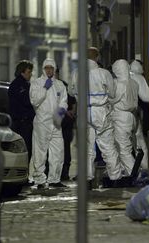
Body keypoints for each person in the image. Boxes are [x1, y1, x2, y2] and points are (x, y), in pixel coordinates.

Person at [69, 47, 122, 188]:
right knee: (107, 146)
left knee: (87, 148)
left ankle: (87, 178)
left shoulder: (76, 73)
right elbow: (112, 93)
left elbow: (71, 91)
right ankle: (115, 177)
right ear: (97, 57)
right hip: (100, 112)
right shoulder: (104, 73)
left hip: (84, 112)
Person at [30, 58, 68, 188]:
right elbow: (34, 101)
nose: (49, 70)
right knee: (40, 152)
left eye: (51, 68)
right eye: (47, 68)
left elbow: (64, 101)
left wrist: (59, 116)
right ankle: (40, 179)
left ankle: (54, 179)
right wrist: (44, 88)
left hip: (56, 123)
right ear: (43, 69)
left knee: (58, 152)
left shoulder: (60, 85)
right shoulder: (36, 83)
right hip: (42, 123)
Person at [8, 60, 35, 182]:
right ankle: (23, 176)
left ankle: (24, 175)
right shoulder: (19, 85)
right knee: (25, 150)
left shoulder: (23, 84)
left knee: (25, 150)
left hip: (23, 122)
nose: (31, 74)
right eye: (29, 72)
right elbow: (28, 101)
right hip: (22, 123)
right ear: (22, 72)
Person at [110, 59, 139, 176]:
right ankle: (128, 172)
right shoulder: (134, 83)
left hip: (121, 116)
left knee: (123, 148)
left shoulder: (119, 84)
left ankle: (134, 173)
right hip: (131, 117)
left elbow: (112, 99)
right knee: (126, 146)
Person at [55, 66, 76, 181]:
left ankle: (65, 171)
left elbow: (72, 104)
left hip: (65, 123)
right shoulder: (47, 86)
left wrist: (71, 112)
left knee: (65, 148)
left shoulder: (64, 86)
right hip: (55, 123)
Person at [130, 59, 149, 170]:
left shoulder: (120, 78)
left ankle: (131, 170)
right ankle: (144, 169)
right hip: (135, 115)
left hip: (119, 117)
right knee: (140, 144)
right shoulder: (138, 77)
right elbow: (146, 97)